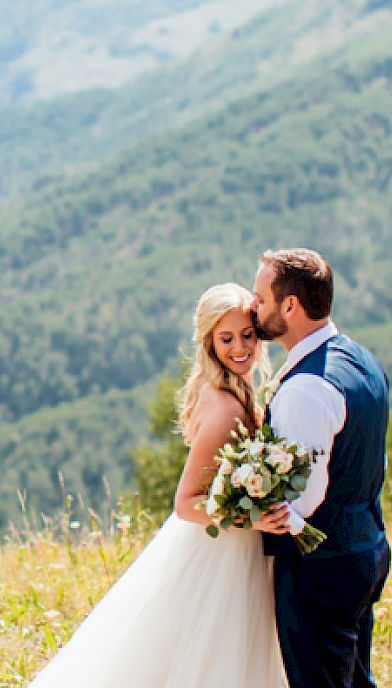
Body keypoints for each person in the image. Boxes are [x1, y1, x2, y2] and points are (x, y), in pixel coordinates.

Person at [28, 282, 287, 687]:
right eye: (226, 339)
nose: (240, 347)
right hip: (221, 554)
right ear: (209, 343)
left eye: (247, 335)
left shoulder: (231, 390)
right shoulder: (224, 408)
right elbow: (186, 503)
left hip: (232, 546)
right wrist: (253, 520)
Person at [249, 248, 390, 688]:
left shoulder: (305, 388)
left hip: (322, 567)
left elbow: (300, 501)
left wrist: (248, 505)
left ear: (290, 306)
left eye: (260, 298)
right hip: (366, 546)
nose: (254, 308)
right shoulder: (360, 359)